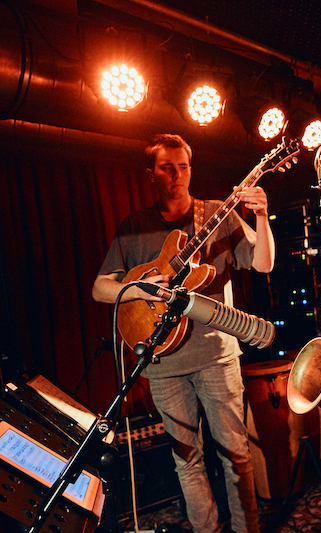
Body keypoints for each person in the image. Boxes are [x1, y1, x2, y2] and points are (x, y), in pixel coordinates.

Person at [93, 134, 274, 533]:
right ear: (151, 175)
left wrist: (261, 216)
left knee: (236, 454)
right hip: (161, 362)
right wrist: (140, 289)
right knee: (186, 460)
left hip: (216, 355)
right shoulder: (134, 227)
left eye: (183, 167)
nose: (177, 175)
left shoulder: (217, 214)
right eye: (167, 168)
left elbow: (263, 264)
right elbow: (100, 288)